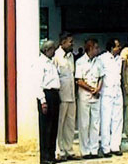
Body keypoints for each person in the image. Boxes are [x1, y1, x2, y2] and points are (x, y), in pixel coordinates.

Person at [75, 39, 103, 159]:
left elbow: (101, 77)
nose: (97, 50)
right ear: (90, 48)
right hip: (85, 96)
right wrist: (92, 89)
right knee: (84, 124)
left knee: (95, 123)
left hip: (96, 95)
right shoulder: (80, 62)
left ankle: (94, 149)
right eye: (96, 48)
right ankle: (85, 151)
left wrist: (98, 89)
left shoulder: (99, 61)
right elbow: (79, 80)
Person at [52, 32, 78, 162]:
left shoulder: (71, 56)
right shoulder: (56, 56)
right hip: (62, 96)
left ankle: (69, 149)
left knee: (70, 124)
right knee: (60, 124)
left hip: (71, 95)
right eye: (70, 42)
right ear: (62, 42)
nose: (72, 44)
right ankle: (59, 150)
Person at [36, 40, 61, 164]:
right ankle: (45, 157)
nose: (54, 52)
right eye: (52, 50)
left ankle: (51, 155)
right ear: (47, 50)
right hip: (46, 95)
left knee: (53, 126)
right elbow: (38, 84)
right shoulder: (41, 63)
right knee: (46, 127)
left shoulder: (51, 63)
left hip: (55, 94)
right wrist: (42, 101)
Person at [99, 38, 124, 157]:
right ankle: (105, 147)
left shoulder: (120, 59)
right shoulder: (102, 59)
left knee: (118, 120)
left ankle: (115, 146)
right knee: (106, 120)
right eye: (117, 46)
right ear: (111, 48)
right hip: (106, 92)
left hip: (117, 91)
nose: (119, 48)